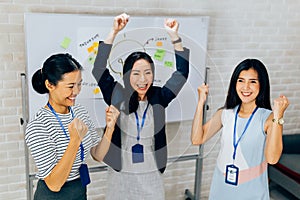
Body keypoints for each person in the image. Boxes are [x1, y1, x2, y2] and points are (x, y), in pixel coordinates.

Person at [92, 13, 189, 199]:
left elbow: (182, 73)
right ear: (127, 74)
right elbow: (99, 69)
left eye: (147, 73)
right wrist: (113, 32)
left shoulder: (159, 96)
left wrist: (174, 37)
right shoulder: (117, 95)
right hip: (121, 175)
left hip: (151, 173)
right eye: (136, 73)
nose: (143, 80)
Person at [191, 58, 289, 199]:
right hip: (221, 189)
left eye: (253, 82)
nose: (245, 87)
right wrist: (200, 102)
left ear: (262, 85)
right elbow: (196, 139)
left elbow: (272, 159)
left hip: (251, 192)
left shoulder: (268, 118)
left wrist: (279, 115)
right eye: (241, 80)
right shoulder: (225, 113)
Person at [25, 53, 120, 200]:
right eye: (70, 86)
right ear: (50, 85)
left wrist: (110, 127)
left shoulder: (80, 112)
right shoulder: (38, 126)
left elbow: (98, 155)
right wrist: (75, 141)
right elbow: (54, 184)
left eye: (79, 84)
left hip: (79, 190)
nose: (76, 91)